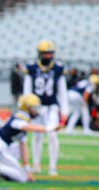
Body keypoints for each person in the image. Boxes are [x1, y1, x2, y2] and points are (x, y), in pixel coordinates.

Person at [0, 93, 61, 182]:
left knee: (20, 149)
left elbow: (23, 147)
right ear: (27, 107)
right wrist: (49, 128)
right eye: (34, 107)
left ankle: (4, 170)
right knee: (22, 178)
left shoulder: (24, 118)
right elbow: (29, 127)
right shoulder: (19, 118)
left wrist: (27, 170)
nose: (36, 110)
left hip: (2, 148)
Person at [22, 39, 67, 176]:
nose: (48, 56)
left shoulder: (58, 68)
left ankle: (52, 166)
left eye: (50, 53)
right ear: (39, 54)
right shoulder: (32, 68)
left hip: (51, 106)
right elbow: (27, 90)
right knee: (36, 136)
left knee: (52, 135)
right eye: (45, 54)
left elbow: (62, 91)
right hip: (36, 107)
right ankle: (36, 164)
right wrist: (28, 107)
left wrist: (64, 110)